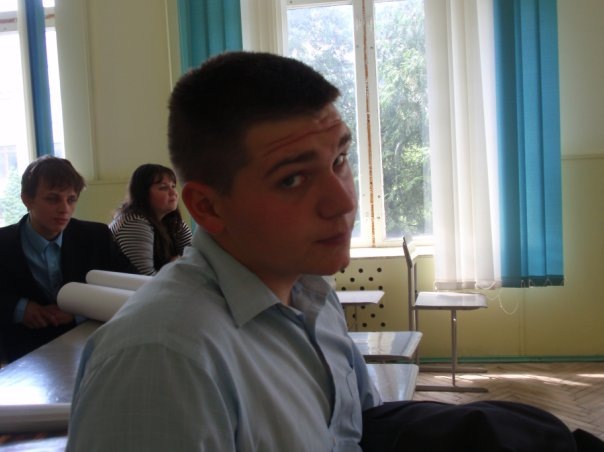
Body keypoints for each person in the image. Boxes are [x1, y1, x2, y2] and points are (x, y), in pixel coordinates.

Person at [66, 52, 604, 451]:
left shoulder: (312, 296)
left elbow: (356, 436)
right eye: (293, 178)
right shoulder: (161, 360)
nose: (344, 201)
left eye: (340, 159)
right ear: (208, 207)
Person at [0, 155, 135, 363]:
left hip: (92, 346)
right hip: (23, 353)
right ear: (27, 199)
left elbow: (132, 286)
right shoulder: (4, 243)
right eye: (52, 199)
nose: (64, 209)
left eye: (71, 199)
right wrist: (19, 308)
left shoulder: (96, 237)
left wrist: (80, 310)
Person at [109, 163, 192, 275]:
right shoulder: (134, 223)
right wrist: (174, 266)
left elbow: (198, 262)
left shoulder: (172, 221)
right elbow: (144, 277)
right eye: (163, 188)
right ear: (143, 194)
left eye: (173, 186)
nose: (173, 193)